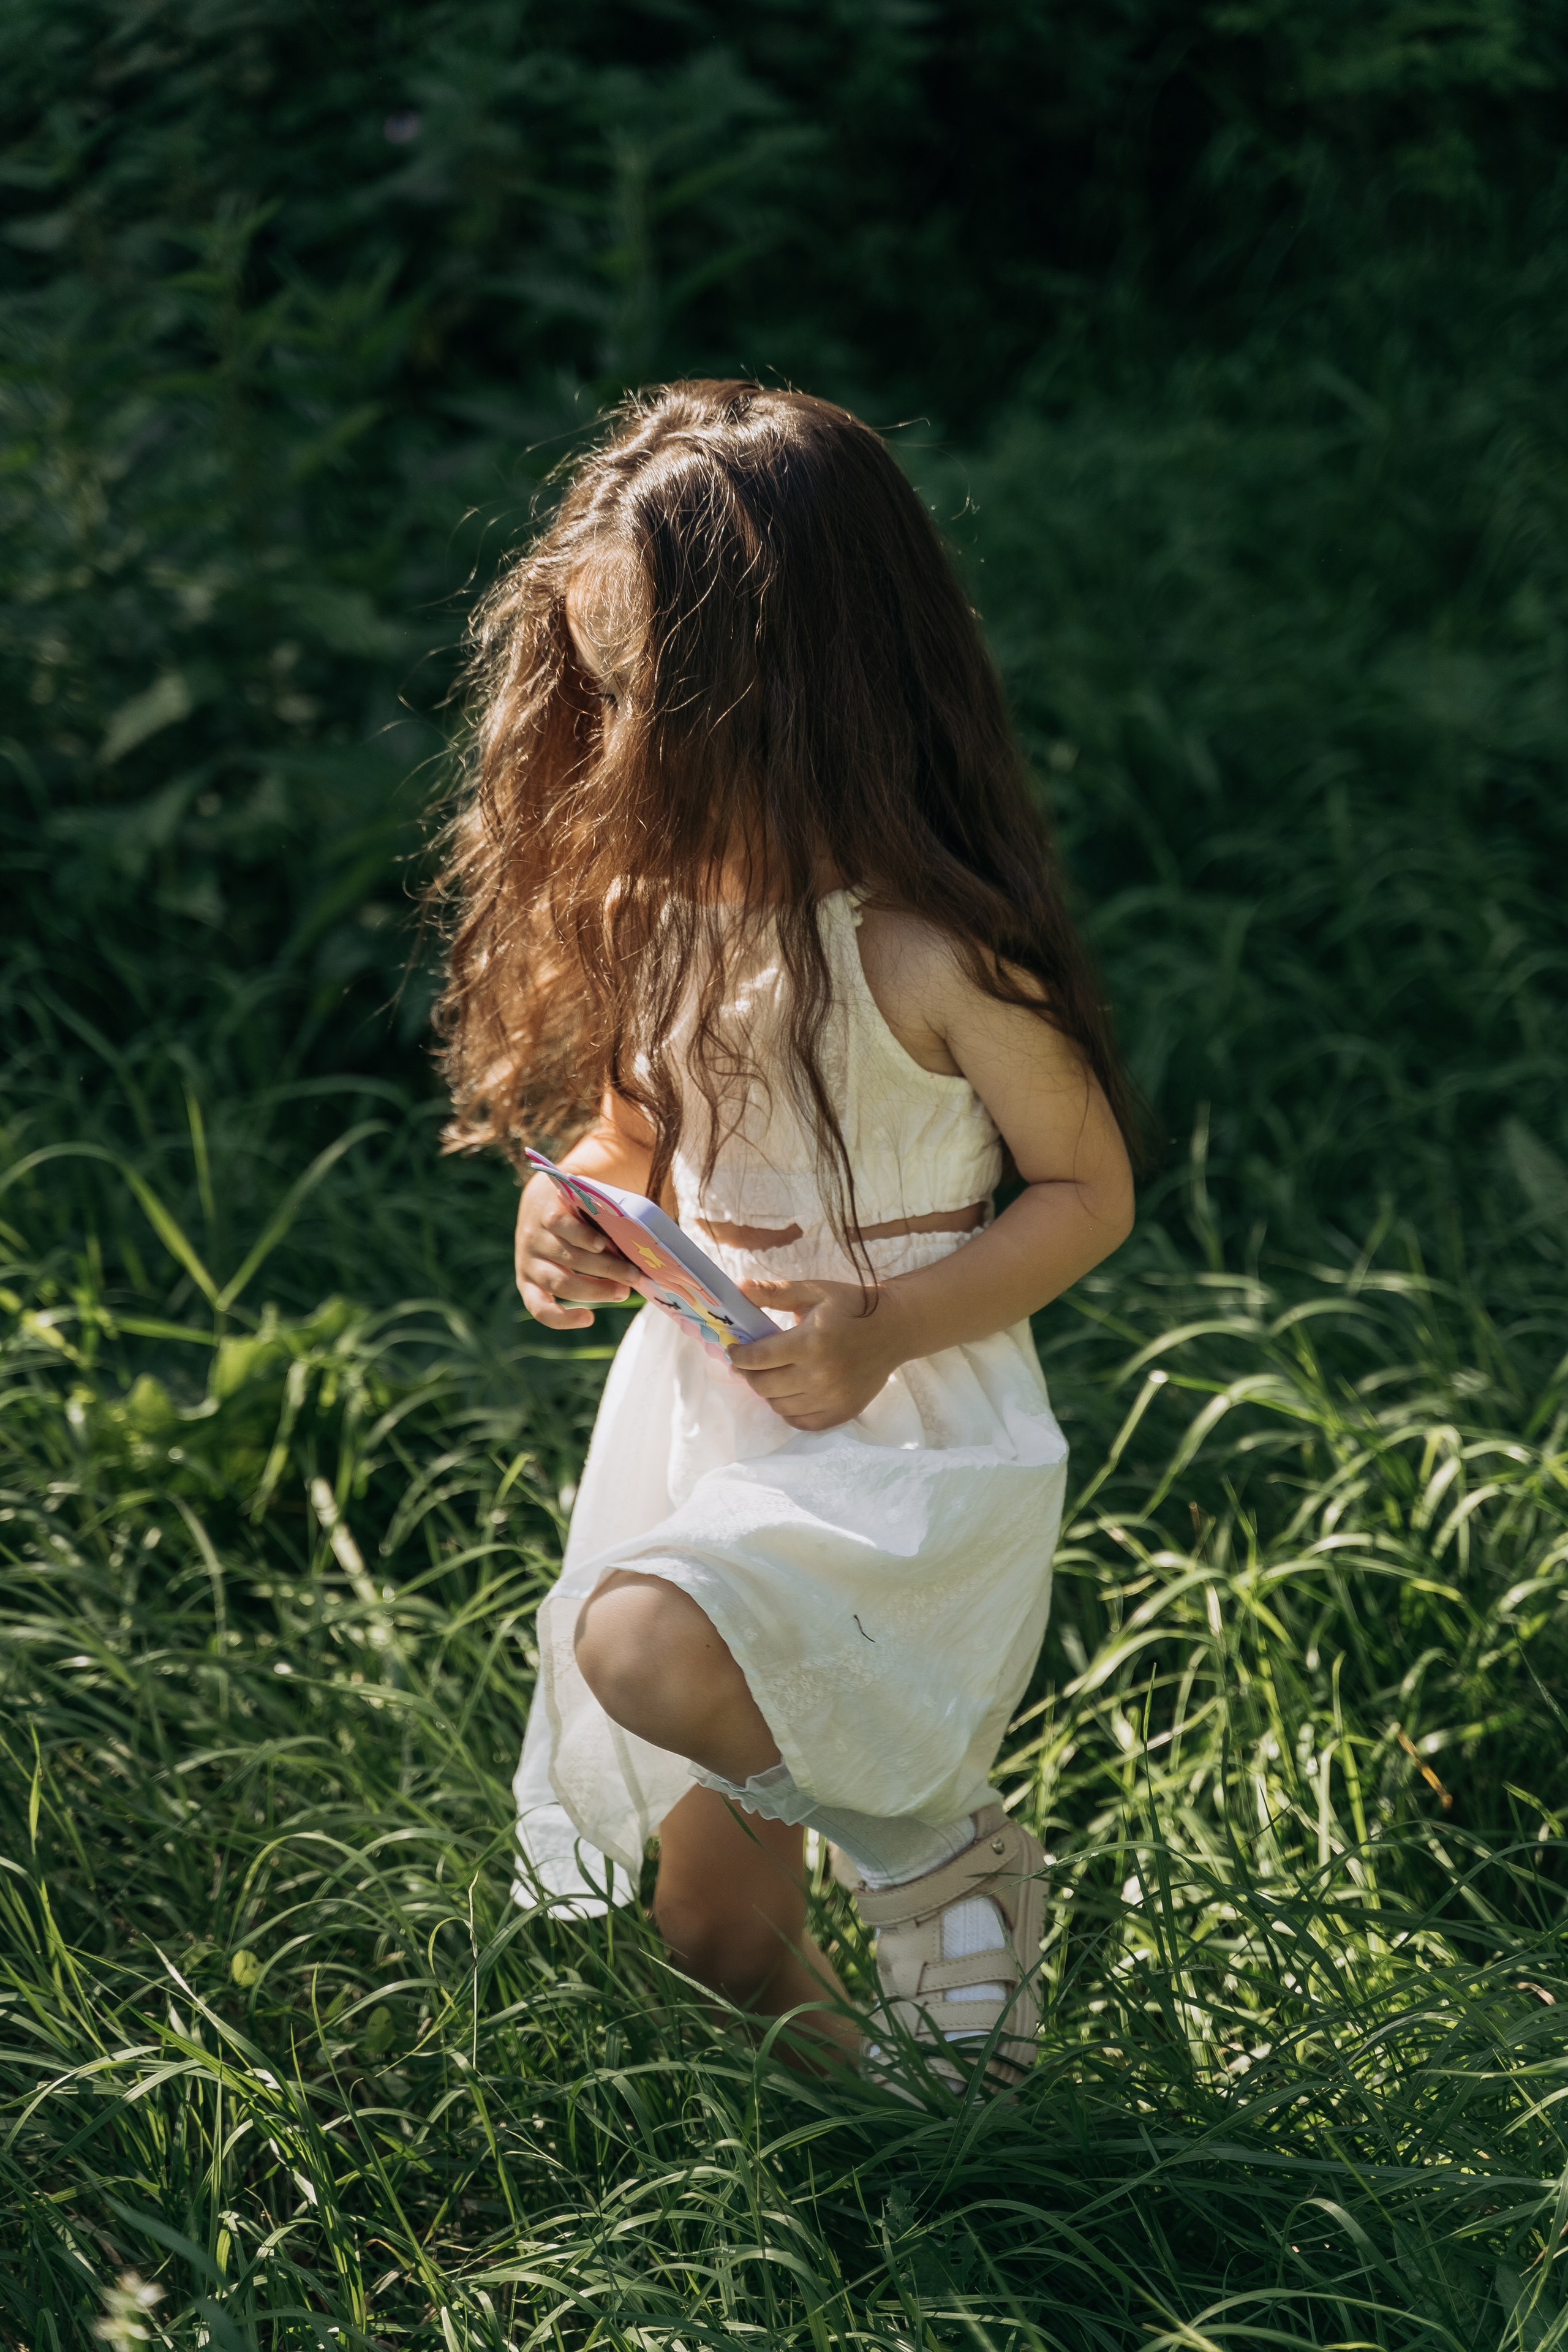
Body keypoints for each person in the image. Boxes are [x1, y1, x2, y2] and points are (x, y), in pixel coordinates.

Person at [435, 380, 1137, 2087]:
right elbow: (636, 1130)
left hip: (897, 1429)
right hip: (714, 1418)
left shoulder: (930, 954)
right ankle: (930, 2135)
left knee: (637, 1639)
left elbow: (1087, 1195)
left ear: (792, 698)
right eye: (590, 696)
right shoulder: (659, 919)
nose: (609, 750)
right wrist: (578, 1212)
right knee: (718, 1941)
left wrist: (884, 1329)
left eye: (648, 709)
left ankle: (925, 1851)